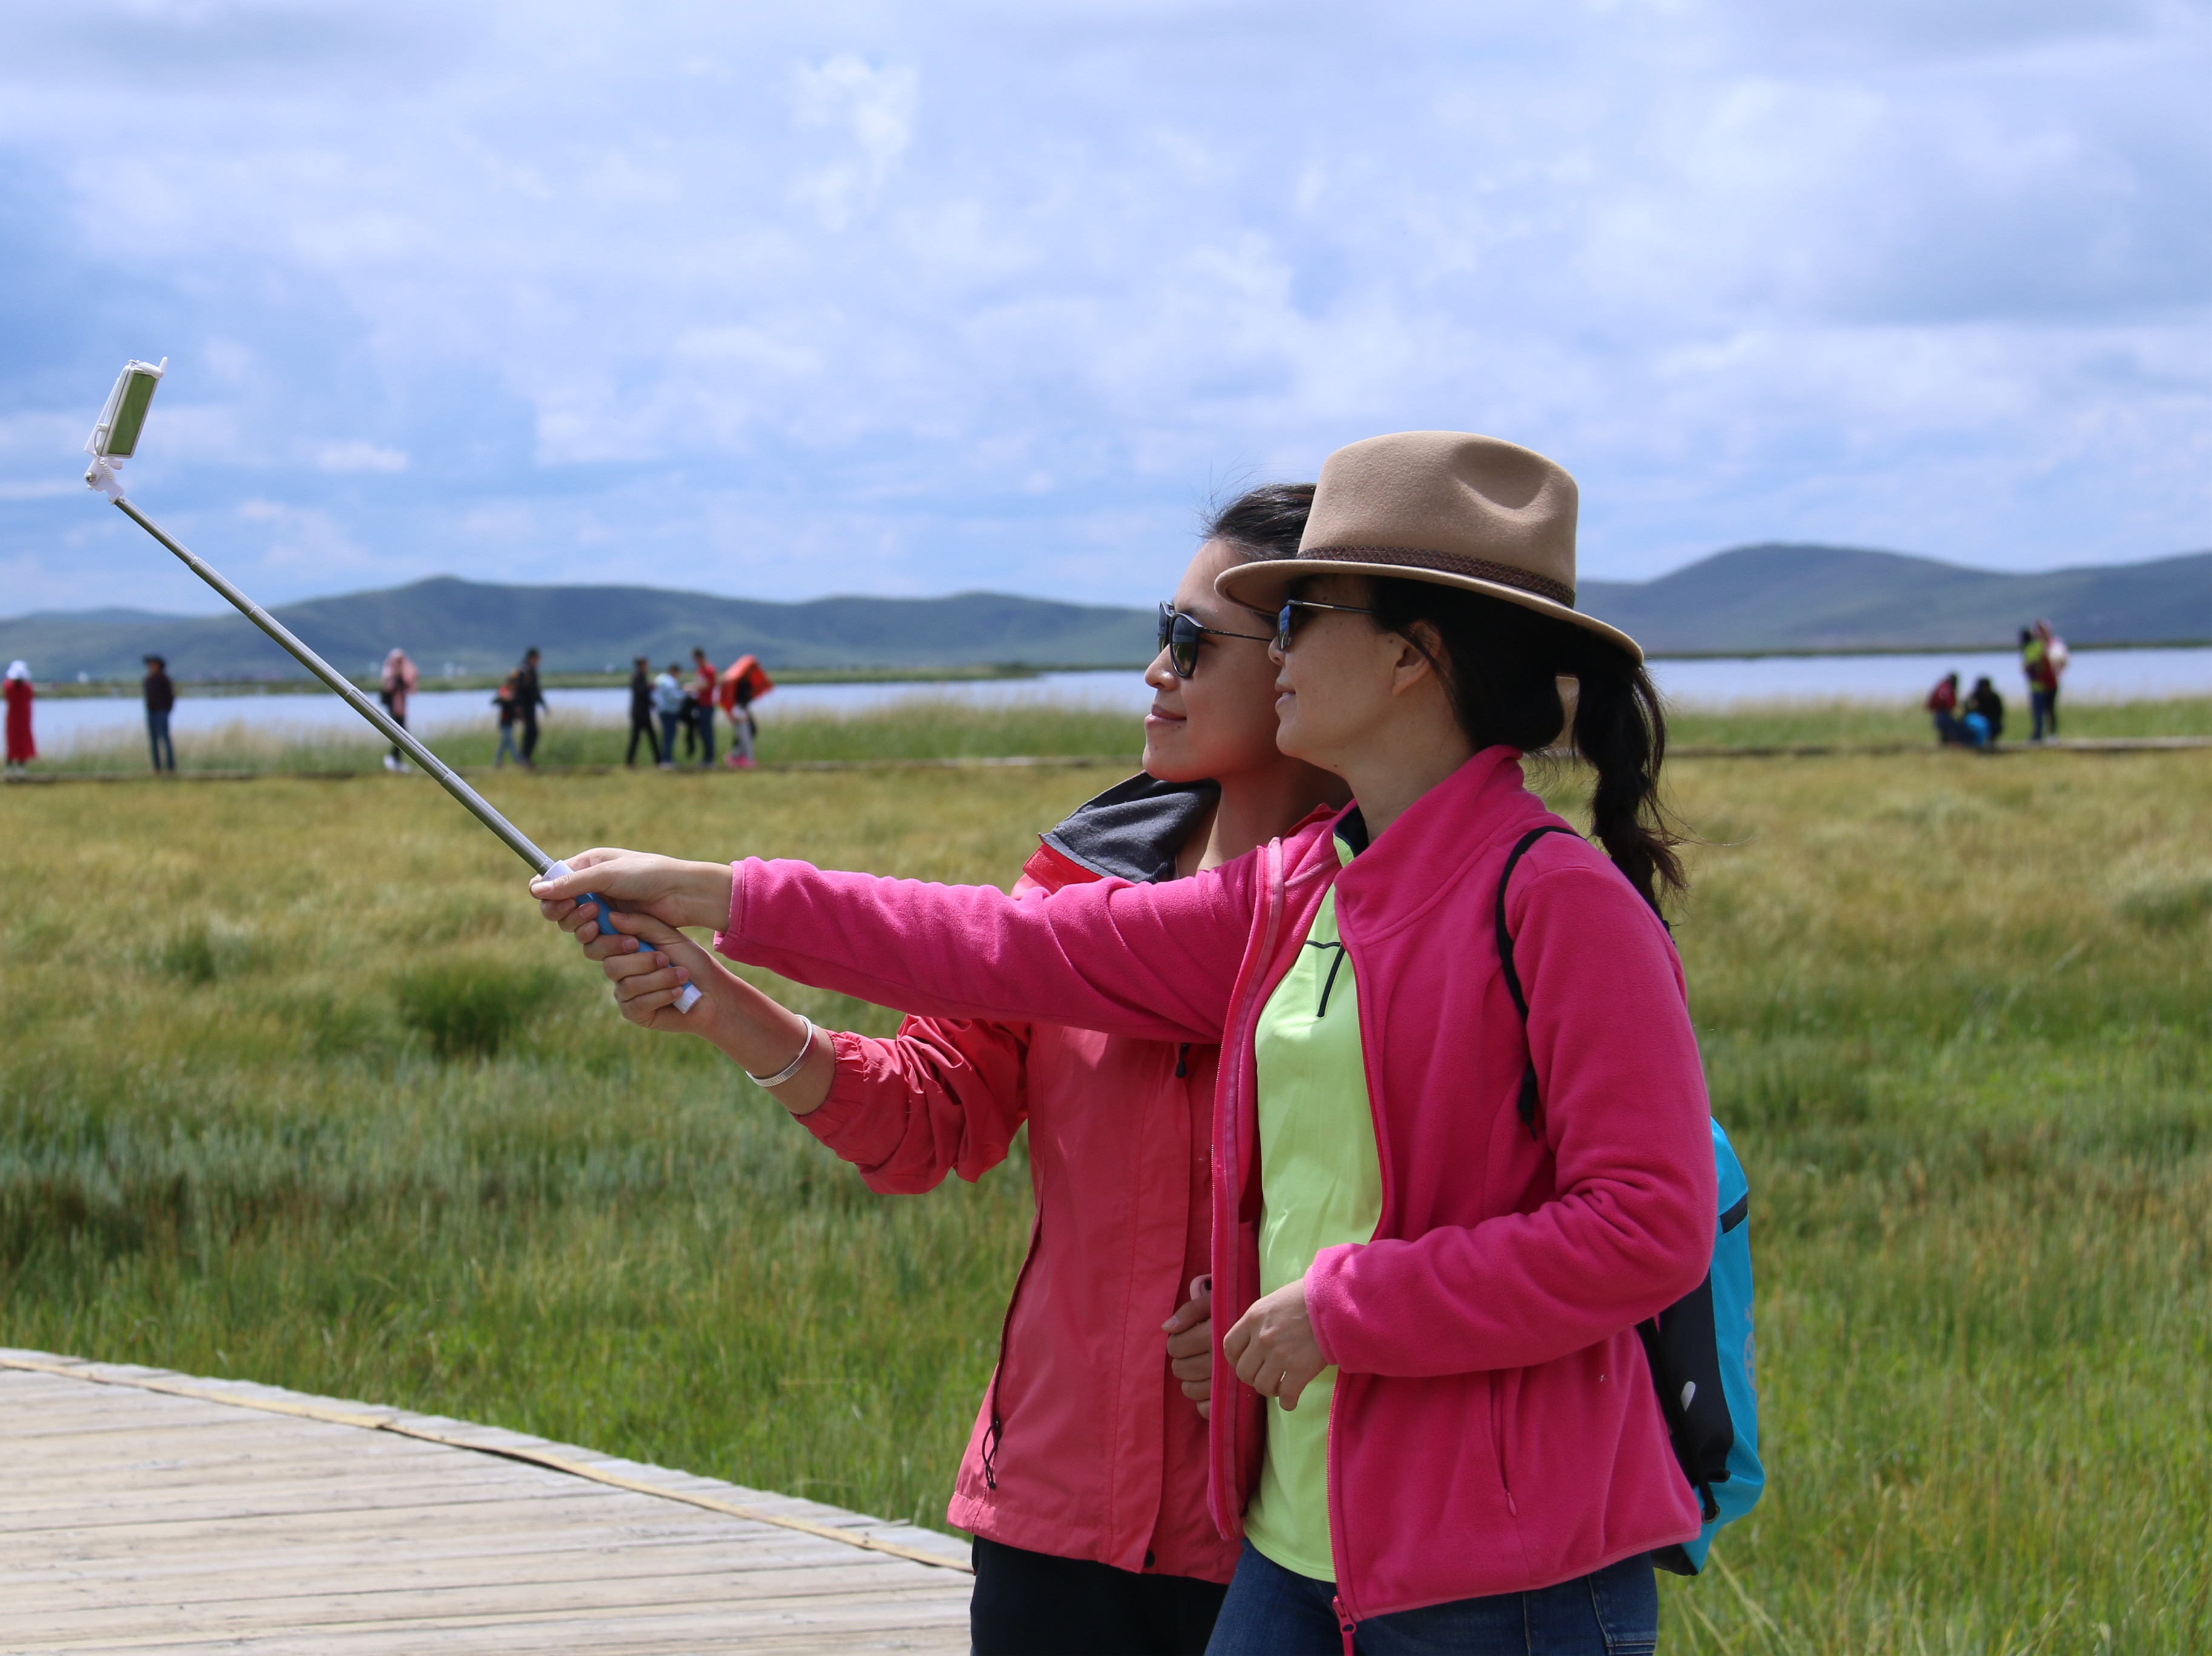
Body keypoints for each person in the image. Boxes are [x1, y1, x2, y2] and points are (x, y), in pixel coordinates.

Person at [540, 433, 1714, 1655]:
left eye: (1291, 618)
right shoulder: (1300, 892)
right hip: (1283, 1539)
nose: (1251, 656)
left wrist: (1336, 1309)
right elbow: (1003, 949)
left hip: (1483, 1563)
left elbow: (1643, 1223)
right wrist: (720, 897)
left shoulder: (1550, 902)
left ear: (1412, 656)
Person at [545, 488, 1346, 1654]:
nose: (1153, 671)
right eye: (1157, 632)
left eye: (1189, 642)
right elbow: (928, 1119)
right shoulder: (1080, 876)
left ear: (1304, 663)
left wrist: (1291, 1297)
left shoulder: (1373, 901)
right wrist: (718, 1004)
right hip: (1050, 1512)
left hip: (1282, 1531)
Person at [720, 653, 771, 768]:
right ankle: (743, 757)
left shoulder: (748, 681)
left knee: (749, 732)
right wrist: (735, 712)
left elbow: (749, 697)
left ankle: (738, 756)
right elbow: (736, 699)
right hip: (739, 711)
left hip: (743, 710)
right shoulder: (738, 681)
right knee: (745, 734)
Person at [379, 646, 420, 772]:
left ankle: (397, 760)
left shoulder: (402, 675)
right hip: (394, 709)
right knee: (400, 733)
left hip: (401, 709)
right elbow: (388, 689)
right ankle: (393, 758)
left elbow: (410, 683)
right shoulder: (390, 674)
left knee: (403, 734)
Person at [2022, 622, 2063, 742]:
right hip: (2039, 684)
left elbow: (2061, 661)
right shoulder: (2035, 646)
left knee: (2049, 709)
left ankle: (2051, 735)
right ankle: (2040, 735)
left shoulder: (2054, 644)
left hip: (2049, 682)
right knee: (2040, 711)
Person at [510, 648, 548, 768]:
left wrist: (543, 705)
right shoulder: (524, 671)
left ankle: (525, 758)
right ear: (532, 658)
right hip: (525, 707)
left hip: (531, 706)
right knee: (532, 732)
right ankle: (524, 758)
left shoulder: (531, 671)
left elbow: (536, 691)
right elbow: (519, 691)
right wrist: (518, 706)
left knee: (532, 732)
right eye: (537, 658)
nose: (538, 661)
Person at [141, 655, 176, 774]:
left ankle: (171, 768)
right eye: (150, 665)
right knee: (153, 741)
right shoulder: (148, 680)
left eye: (153, 664)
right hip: (151, 712)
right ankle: (157, 768)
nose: (151, 667)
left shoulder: (164, 680)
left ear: (159, 666)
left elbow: (170, 697)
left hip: (162, 712)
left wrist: (166, 710)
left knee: (165, 739)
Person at [626, 658, 665, 766]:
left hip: (641, 713)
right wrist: (650, 687)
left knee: (639, 739)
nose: (647, 667)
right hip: (641, 714)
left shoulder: (639, 676)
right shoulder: (638, 677)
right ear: (641, 665)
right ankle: (658, 761)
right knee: (647, 738)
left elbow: (643, 695)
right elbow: (641, 692)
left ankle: (630, 761)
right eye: (646, 665)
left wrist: (652, 702)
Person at [686, 644, 720, 767]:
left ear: (700, 658)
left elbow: (707, 686)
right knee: (701, 733)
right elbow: (699, 684)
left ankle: (709, 759)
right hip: (699, 704)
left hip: (707, 705)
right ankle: (706, 758)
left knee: (707, 732)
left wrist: (691, 688)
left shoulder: (709, 670)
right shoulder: (699, 670)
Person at [2, 661, 37, 769]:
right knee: (21, 743)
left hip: (15, 718)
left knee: (14, 743)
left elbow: (6, 685)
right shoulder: (27, 688)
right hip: (22, 718)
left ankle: (10, 769)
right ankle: (20, 769)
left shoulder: (9, 687)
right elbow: (31, 694)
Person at [651, 662, 685, 769]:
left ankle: (666, 760)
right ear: (674, 671)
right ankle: (667, 760)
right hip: (668, 712)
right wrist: (685, 694)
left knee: (667, 736)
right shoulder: (670, 682)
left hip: (664, 711)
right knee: (669, 736)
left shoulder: (663, 680)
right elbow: (673, 697)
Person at [1964, 674, 2006, 751]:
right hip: (1977, 722)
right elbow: (1968, 710)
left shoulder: (1994, 697)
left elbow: (1999, 712)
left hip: (1993, 721)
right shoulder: (1975, 697)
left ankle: (1990, 743)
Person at [1925, 670, 1962, 746]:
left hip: (1940, 713)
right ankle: (1950, 744)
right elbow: (1947, 701)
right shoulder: (1946, 688)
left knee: (1947, 730)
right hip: (1942, 712)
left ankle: (1946, 743)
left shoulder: (1942, 686)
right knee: (1951, 729)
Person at [492, 678, 521, 768]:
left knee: (504, 743)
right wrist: (504, 697)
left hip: (509, 723)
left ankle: (498, 761)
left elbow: (515, 708)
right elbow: (496, 701)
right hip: (505, 723)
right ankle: (518, 760)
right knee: (511, 742)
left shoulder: (513, 696)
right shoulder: (505, 694)